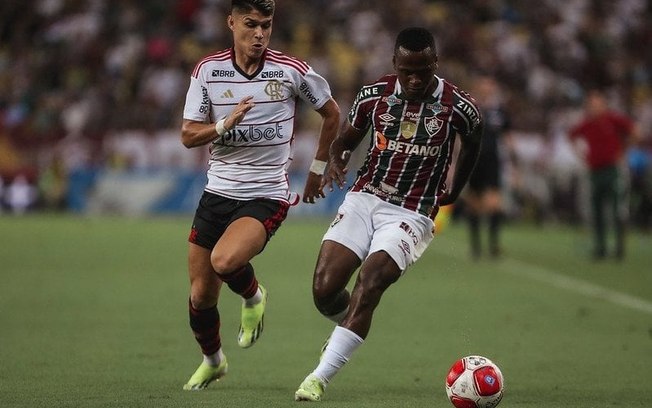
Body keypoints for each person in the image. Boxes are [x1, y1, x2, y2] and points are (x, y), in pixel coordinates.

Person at [294, 27, 483, 402]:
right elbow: (345, 142)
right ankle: (349, 329)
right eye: (406, 70)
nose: (414, 79)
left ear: (435, 64)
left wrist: (455, 190)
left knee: (371, 281)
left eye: (423, 71)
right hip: (365, 198)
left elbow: (475, 143)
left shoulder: (459, 107)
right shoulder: (373, 96)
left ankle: (319, 376)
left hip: (412, 212)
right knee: (324, 290)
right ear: (395, 63)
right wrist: (336, 161)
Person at [180, 0, 340, 391]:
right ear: (231, 22)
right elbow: (188, 135)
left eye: (266, 25)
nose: (259, 34)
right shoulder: (209, 71)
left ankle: (253, 298)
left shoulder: (291, 71)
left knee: (224, 260)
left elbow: (332, 114)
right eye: (250, 24)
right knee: (201, 296)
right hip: (217, 192)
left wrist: (317, 170)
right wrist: (223, 125)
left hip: (266, 193)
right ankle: (213, 361)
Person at [569, 88, 638, 260]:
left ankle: (619, 247)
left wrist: (623, 151)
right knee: (597, 210)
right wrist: (581, 155)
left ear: (604, 105)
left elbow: (635, 132)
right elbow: (571, 136)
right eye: (591, 105)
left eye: (597, 104)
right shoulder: (587, 123)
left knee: (617, 209)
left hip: (612, 170)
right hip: (595, 171)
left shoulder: (613, 119)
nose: (594, 108)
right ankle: (600, 247)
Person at [464, 75, 512, 260]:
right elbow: (460, 135)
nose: (487, 89)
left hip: (492, 160)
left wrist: (514, 162)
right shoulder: (471, 108)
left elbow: (507, 135)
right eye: (484, 86)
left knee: (494, 204)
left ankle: (493, 246)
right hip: (473, 160)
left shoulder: (499, 110)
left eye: (490, 86)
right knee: (474, 203)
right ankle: (476, 247)